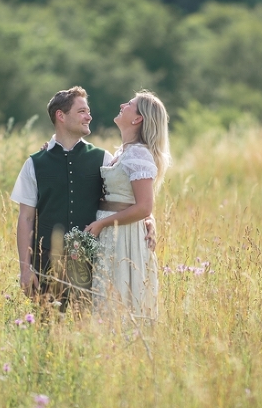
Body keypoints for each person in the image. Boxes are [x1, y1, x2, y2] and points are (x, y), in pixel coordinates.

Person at [10, 86, 154, 312]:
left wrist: (148, 219)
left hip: (92, 263)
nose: (89, 116)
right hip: (45, 262)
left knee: (87, 332)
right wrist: (25, 270)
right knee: (47, 331)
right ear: (61, 115)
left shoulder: (104, 159)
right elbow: (25, 218)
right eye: (82, 111)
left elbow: (124, 196)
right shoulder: (35, 163)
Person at [84, 90, 171, 322]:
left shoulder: (138, 154)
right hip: (114, 233)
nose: (123, 104)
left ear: (138, 119)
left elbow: (144, 207)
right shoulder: (123, 152)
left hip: (124, 236)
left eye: (130, 104)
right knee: (108, 296)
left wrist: (102, 223)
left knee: (122, 295)